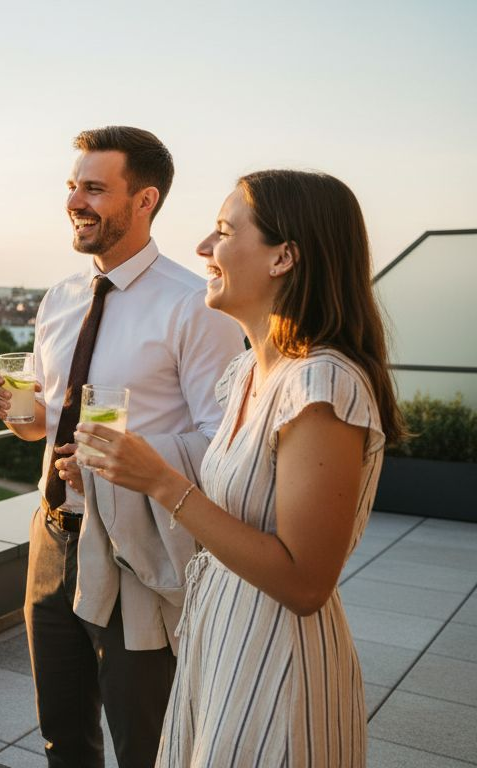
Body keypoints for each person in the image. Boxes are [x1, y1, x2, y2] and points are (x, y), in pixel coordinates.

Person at [74, 170, 403, 766]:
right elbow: (234, 510)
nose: (203, 248)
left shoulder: (321, 384)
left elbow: (305, 584)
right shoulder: (249, 371)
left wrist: (161, 480)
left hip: (275, 657)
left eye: (223, 232)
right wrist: (121, 476)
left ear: (284, 257)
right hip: (223, 634)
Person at [0, 126, 245, 768]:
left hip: (135, 549)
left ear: (145, 200)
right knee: (63, 736)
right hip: (51, 538)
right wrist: (22, 417)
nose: (75, 200)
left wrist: (123, 458)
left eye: (94, 188)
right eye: (73, 186)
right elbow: (49, 420)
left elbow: (223, 444)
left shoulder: (195, 304)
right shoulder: (60, 297)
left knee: (145, 741)